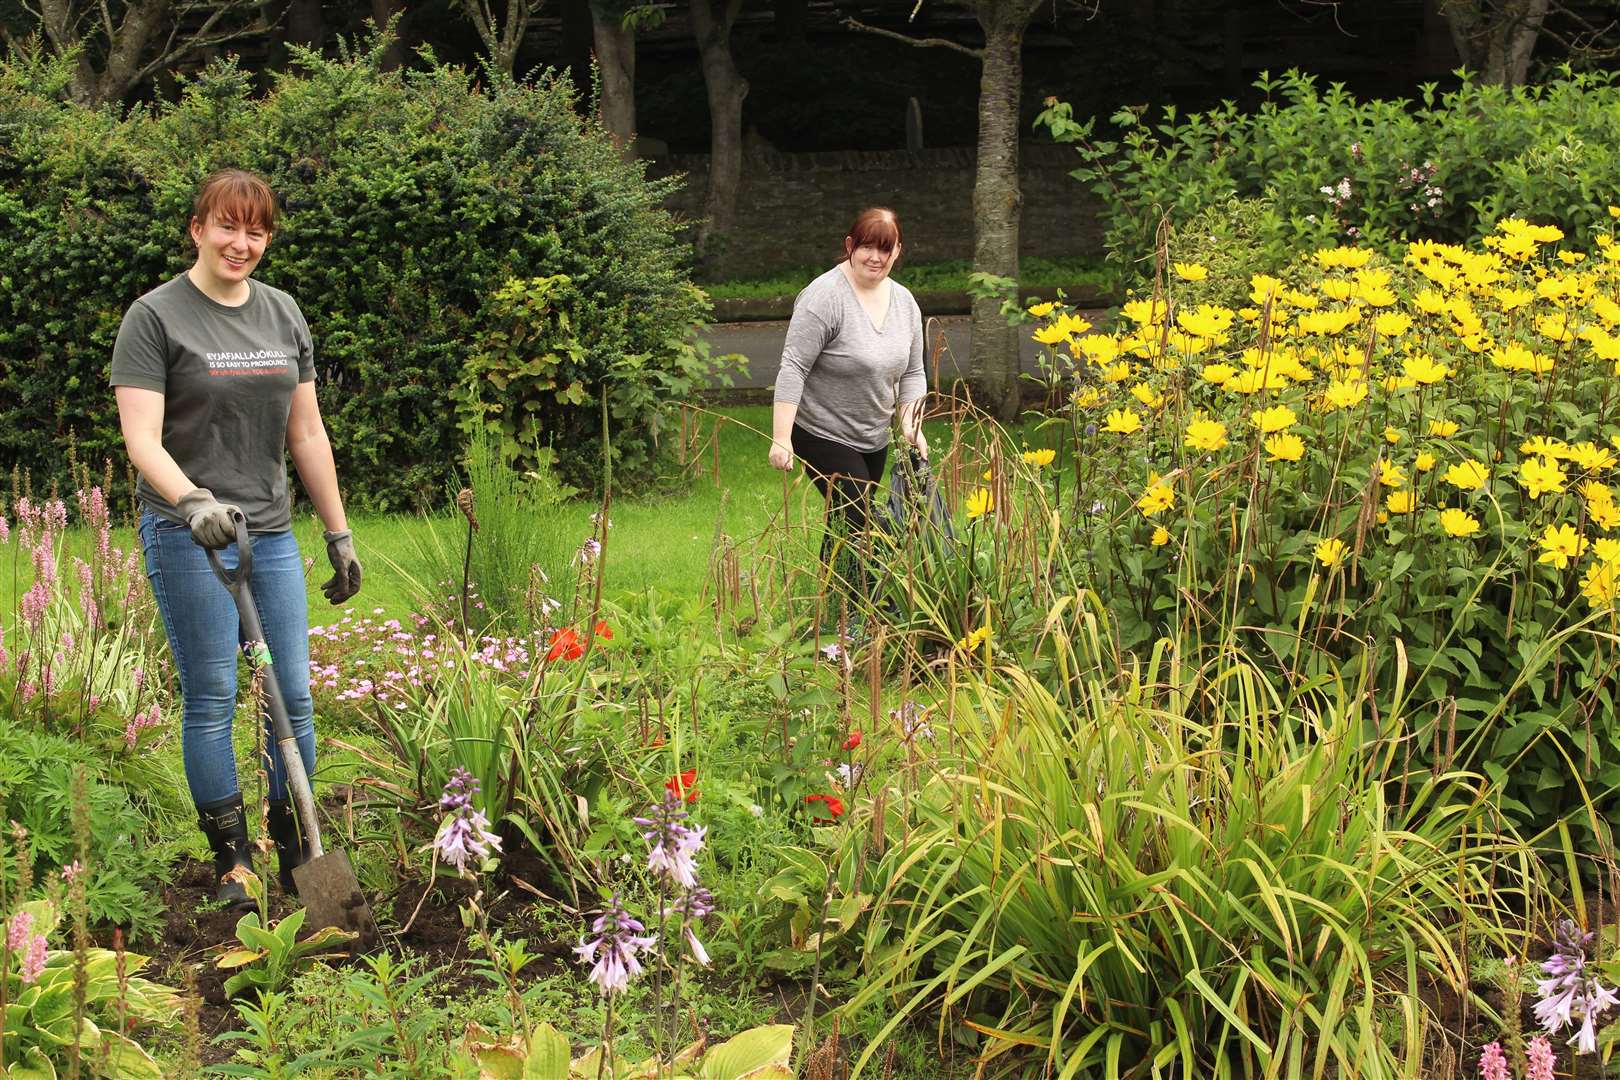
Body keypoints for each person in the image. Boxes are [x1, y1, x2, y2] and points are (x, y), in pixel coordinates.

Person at [111, 169, 362, 909]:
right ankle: (232, 863)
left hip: (270, 530)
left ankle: (298, 850)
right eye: (228, 226)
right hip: (187, 533)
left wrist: (339, 531)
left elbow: (307, 430)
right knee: (214, 695)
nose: (241, 243)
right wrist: (192, 502)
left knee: (294, 696)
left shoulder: (282, 314)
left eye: (256, 231)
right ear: (198, 228)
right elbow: (142, 438)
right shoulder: (154, 317)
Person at [769, 207, 928, 618]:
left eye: (885, 249)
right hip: (820, 431)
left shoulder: (905, 303)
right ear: (850, 247)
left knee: (846, 524)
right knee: (858, 513)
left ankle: (829, 608)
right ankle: (866, 614)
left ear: (897, 253)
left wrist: (911, 427)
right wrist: (782, 438)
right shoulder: (824, 298)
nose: (875, 257)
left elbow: (913, 371)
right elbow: (793, 367)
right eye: (867, 247)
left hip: (872, 435)